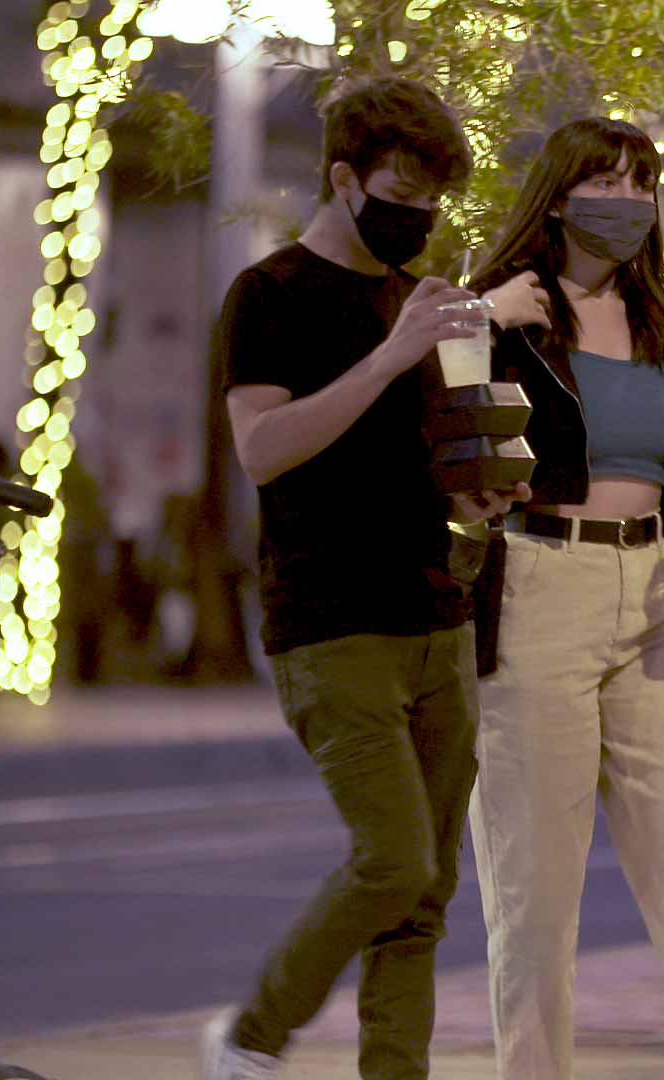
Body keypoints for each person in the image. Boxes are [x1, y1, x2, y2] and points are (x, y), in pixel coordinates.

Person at [203, 75, 534, 1080]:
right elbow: (262, 448)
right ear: (343, 179)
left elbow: (429, 452)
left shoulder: (414, 302)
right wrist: (391, 357)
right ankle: (252, 1035)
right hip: (330, 622)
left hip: (436, 614)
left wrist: (479, 495)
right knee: (392, 860)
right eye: (401, 197)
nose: (417, 222)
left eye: (432, 206)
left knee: (422, 897)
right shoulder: (269, 295)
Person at [465, 117, 664, 1080]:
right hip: (539, 580)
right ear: (558, 197)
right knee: (535, 876)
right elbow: (442, 434)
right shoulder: (503, 309)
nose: (630, 204)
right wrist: (480, 326)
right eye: (609, 183)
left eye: (644, 185)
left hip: (661, 587)